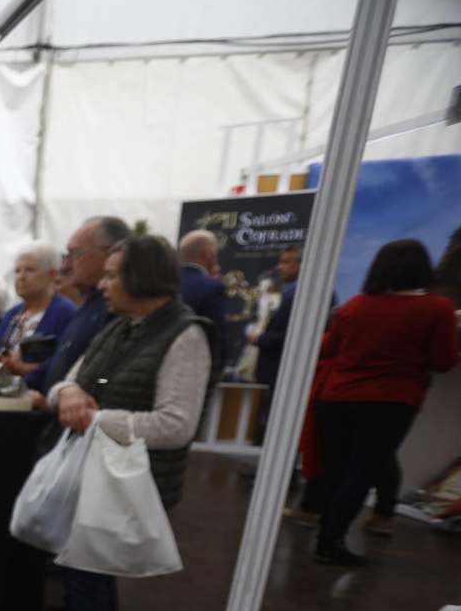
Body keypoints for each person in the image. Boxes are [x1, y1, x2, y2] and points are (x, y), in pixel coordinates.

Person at [24, 234, 220, 611]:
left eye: (114, 274)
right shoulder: (123, 325)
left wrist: (97, 418)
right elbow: (75, 375)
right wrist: (70, 393)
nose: (104, 283)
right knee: (93, 569)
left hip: (133, 479)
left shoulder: (186, 336)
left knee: (88, 572)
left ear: (144, 277)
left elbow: (177, 426)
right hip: (104, 474)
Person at [311, 239, 459, 565]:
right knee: (363, 471)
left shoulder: (353, 306)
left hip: (335, 396)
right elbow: (443, 361)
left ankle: (324, 536)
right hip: (390, 401)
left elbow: (333, 350)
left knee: (335, 467)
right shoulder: (437, 309)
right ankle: (331, 542)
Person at [250, 245, 339, 444]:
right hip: (281, 372)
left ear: (304, 264)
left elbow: (298, 335)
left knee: (284, 426)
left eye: (286, 262)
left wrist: (260, 339)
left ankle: (280, 472)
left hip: (289, 371)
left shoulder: (308, 292)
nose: (279, 267)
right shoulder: (294, 292)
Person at [41, 216, 134, 397]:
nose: (65, 266)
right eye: (66, 256)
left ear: (109, 252)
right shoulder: (90, 304)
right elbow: (65, 360)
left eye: (75, 254)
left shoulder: (118, 310)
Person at [0, 242, 77, 390]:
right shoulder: (13, 313)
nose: (21, 277)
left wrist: (24, 367)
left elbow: (66, 362)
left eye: (29, 270)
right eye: (17, 271)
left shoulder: (66, 312)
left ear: (51, 274)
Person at [179, 229, 230, 368]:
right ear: (207, 253)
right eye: (216, 252)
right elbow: (216, 335)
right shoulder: (212, 287)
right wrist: (219, 367)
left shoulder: (162, 283)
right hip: (194, 367)